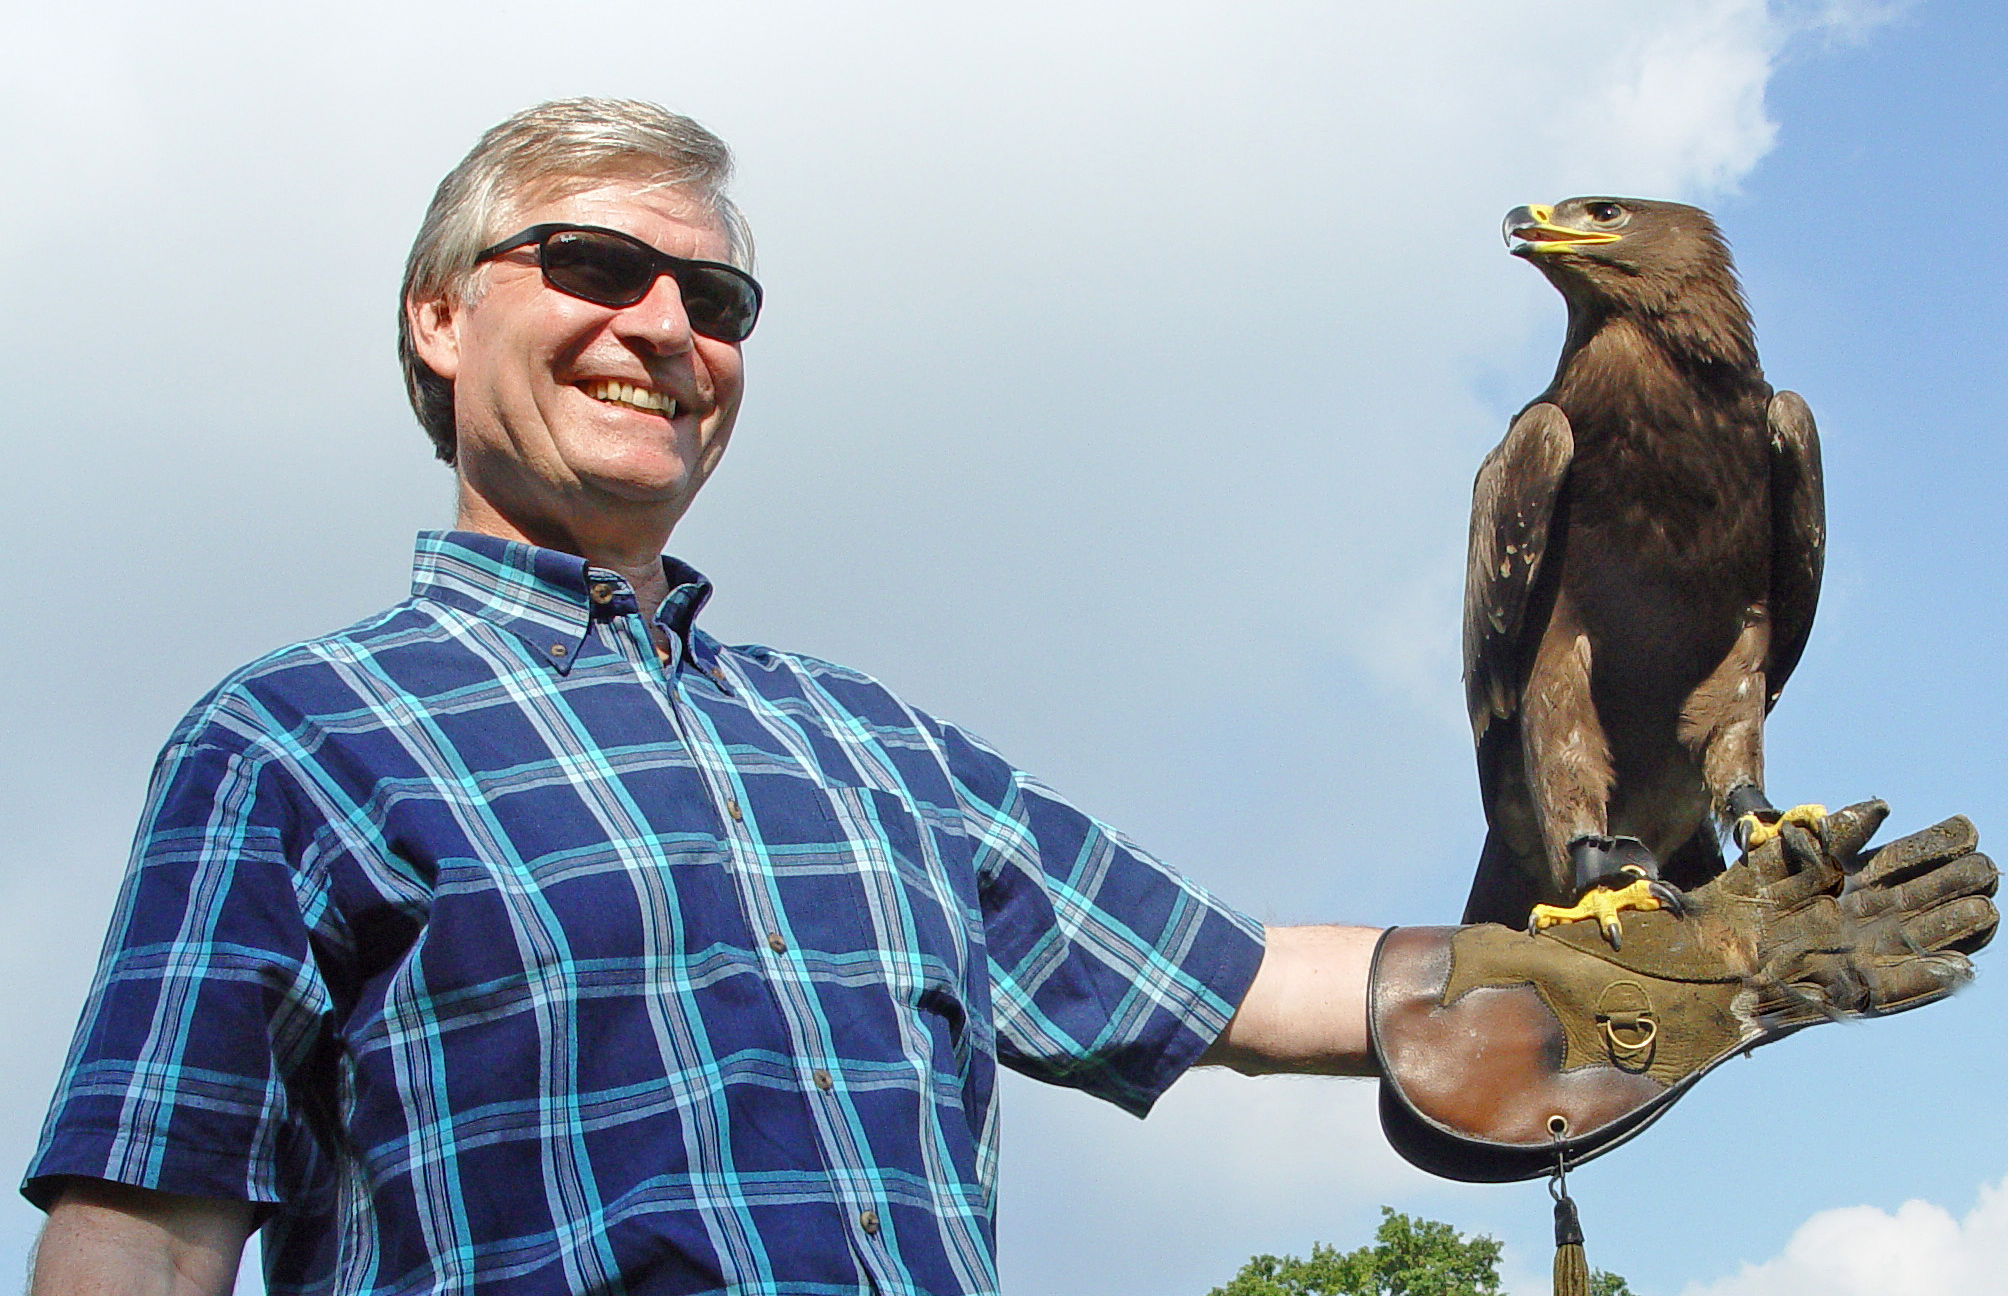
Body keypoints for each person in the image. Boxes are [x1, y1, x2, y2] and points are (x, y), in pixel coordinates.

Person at [22, 99, 1996, 1296]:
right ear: (439, 319)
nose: (663, 327)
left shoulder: (876, 757)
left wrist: (1694, 974)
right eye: (594, 265)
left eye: (715, 301)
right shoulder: (294, 740)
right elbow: (142, 1244)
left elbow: (1273, 990)